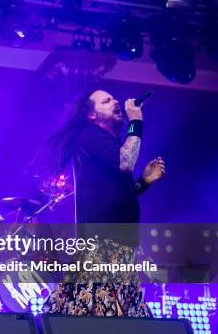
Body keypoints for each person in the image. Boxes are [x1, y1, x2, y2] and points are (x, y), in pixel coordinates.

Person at [40, 89, 165, 317]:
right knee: (108, 318)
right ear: (92, 115)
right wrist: (135, 121)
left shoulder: (105, 144)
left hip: (117, 248)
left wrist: (143, 183)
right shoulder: (89, 134)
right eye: (106, 101)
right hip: (104, 247)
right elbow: (125, 161)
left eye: (114, 98)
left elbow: (114, 197)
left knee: (103, 316)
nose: (115, 101)